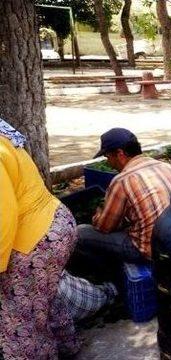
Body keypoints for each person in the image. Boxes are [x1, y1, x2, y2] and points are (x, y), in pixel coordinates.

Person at [0, 119, 80, 358]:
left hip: (34, 241)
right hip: (54, 224)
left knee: (17, 321)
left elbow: (3, 216)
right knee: (43, 299)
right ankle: (69, 347)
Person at [73, 128, 171, 279]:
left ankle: (106, 278)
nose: (108, 162)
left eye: (107, 156)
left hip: (148, 250)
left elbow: (104, 226)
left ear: (120, 153)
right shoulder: (168, 167)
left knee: (80, 233)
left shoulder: (123, 180)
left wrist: (98, 212)